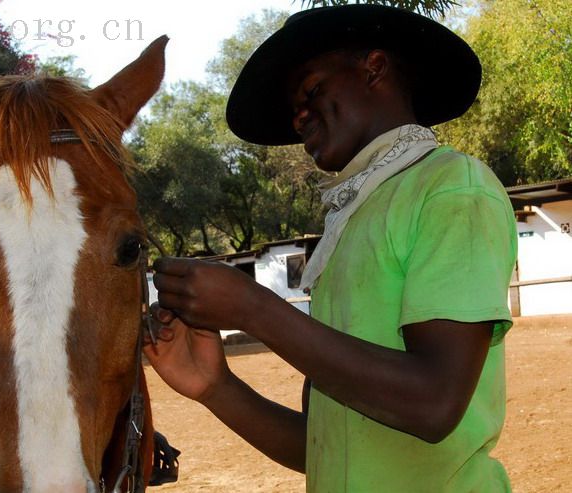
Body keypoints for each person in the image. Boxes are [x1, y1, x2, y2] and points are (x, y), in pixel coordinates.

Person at [145, 5, 517, 492]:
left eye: (312, 90)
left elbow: (433, 403)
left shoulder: (451, 188)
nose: (298, 116)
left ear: (374, 68)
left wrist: (253, 308)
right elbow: (323, 446)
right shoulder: (352, 218)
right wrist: (217, 387)